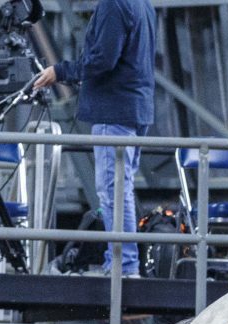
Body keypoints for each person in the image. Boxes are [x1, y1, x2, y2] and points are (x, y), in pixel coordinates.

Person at [33, 0, 156, 277]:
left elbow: (103, 59)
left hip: (115, 112)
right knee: (118, 191)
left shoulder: (114, 4)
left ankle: (123, 267)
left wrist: (60, 72)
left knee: (113, 192)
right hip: (134, 109)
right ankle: (121, 264)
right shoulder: (142, 4)